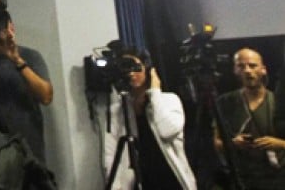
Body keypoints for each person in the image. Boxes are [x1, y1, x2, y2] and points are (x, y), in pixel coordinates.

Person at [101, 47, 197, 189]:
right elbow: (109, 156)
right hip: (139, 183)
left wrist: (155, 92)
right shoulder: (117, 112)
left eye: (136, 67)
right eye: (126, 68)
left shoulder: (169, 100)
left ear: (148, 69)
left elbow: (167, 132)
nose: (132, 73)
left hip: (172, 181)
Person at [0, 10, 53, 161]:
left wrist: (17, 60)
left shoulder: (30, 56)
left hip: (28, 143)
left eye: (2, 29)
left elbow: (46, 96)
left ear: (11, 28)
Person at [213, 47, 285, 189]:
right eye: (241, 66)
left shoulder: (279, 102)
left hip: (278, 177)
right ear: (235, 70)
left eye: (252, 65)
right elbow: (216, 142)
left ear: (263, 69)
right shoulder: (225, 103)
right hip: (241, 179)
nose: (247, 70)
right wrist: (233, 144)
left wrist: (279, 144)